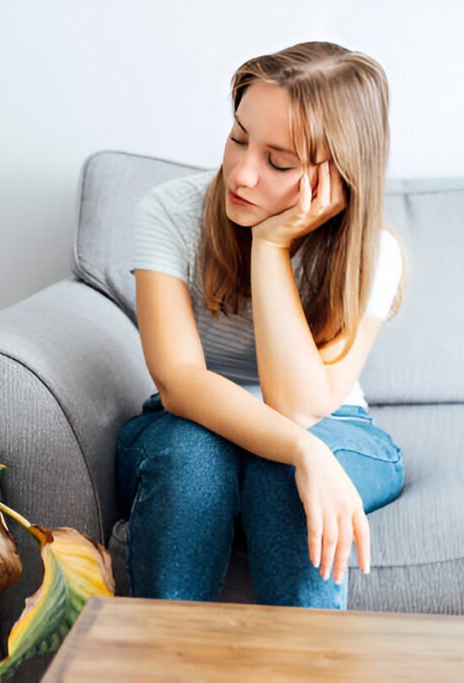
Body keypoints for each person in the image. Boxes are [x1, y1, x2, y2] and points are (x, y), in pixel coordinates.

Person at [115, 41, 409, 611]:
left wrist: (270, 247)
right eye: (237, 137)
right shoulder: (167, 212)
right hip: (194, 426)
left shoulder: (372, 252)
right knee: (191, 460)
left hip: (336, 425)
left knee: (281, 485)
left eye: (279, 162)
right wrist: (304, 451)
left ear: (338, 174)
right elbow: (178, 380)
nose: (243, 174)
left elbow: (301, 407)